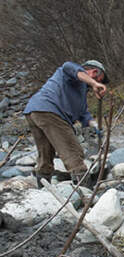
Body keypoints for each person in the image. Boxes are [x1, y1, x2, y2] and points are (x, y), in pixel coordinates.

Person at [24, 60, 109, 188]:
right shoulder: (72, 71)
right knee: (73, 152)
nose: (99, 83)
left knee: (46, 154)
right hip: (50, 110)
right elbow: (70, 68)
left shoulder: (81, 93)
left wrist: (95, 126)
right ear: (94, 72)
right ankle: (86, 192)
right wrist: (93, 83)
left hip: (35, 111)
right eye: (100, 80)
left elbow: (84, 114)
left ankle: (43, 190)